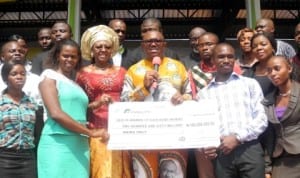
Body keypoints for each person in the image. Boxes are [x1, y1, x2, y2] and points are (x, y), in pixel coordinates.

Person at [121, 30, 191, 178]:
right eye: (148, 41)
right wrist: (144, 88)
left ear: (164, 44)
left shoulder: (178, 66)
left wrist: (182, 98)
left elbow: (191, 95)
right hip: (143, 135)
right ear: (142, 45)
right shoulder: (133, 70)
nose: (153, 44)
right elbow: (124, 103)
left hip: (174, 134)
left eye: (158, 41)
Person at [37, 39, 108, 178]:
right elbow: (56, 113)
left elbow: (73, 107)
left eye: (73, 57)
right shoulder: (49, 77)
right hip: (58, 144)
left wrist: (96, 104)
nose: (69, 59)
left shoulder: (74, 83)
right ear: (58, 55)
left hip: (80, 145)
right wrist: (90, 132)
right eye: (65, 55)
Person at [198, 43, 268, 178]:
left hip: (249, 149)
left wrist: (237, 137)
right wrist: (208, 145)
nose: (226, 60)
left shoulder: (250, 84)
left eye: (230, 57)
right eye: (221, 57)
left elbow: (262, 119)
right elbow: (204, 127)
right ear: (213, 60)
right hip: (222, 152)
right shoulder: (203, 94)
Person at [77, 25, 131, 178]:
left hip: (121, 128)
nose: (103, 50)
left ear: (112, 49)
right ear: (92, 50)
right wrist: (97, 103)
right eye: (98, 46)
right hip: (97, 130)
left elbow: (130, 98)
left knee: (122, 170)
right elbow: (79, 106)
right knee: (102, 170)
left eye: (107, 46)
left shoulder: (122, 72)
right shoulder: (82, 74)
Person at [262, 55, 300, 178]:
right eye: (269, 70)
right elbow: (269, 135)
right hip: (281, 158)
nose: (272, 73)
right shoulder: (268, 100)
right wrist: (267, 167)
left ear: (289, 69)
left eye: (277, 68)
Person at [0, 60, 38, 178]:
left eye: (23, 74)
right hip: (4, 158)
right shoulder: (1, 102)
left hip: (28, 158)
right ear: (6, 78)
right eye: (14, 74)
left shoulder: (32, 102)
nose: (19, 77)